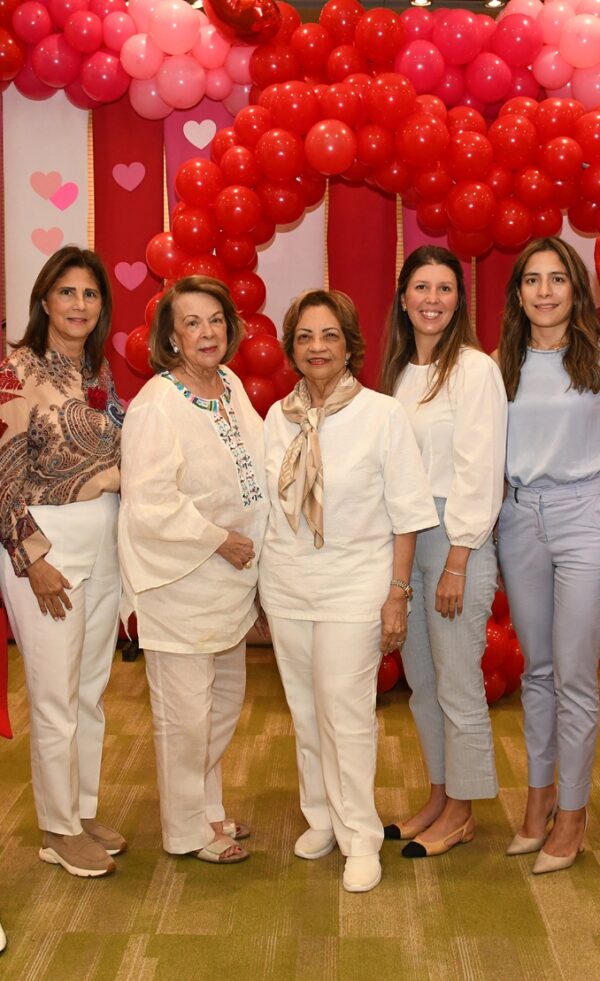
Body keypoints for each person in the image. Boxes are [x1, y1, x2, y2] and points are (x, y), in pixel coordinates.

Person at [259, 288, 437, 893]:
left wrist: (397, 593)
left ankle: (361, 837)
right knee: (306, 713)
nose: (316, 347)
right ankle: (324, 818)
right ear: (292, 347)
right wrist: (259, 589)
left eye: (329, 335)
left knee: (346, 713)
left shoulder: (382, 415)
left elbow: (408, 512)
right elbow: (264, 509)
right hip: (286, 585)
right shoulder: (275, 418)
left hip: (354, 587)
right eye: (305, 336)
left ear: (349, 345)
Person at [119, 275, 269, 865]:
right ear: (172, 338)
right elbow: (150, 501)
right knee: (184, 717)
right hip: (180, 582)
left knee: (222, 705)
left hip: (230, 583)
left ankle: (206, 809)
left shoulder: (229, 385)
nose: (206, 333)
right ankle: (184, 830)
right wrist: (218, 541)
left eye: (215, 320)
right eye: (191, 323)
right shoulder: (157, 403)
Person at [0, 246, 125, 877]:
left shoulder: (99, 370)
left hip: (103, 545)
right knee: (53, 696)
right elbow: (3, 470)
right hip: (45, 548)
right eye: (68, 292)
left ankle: (81, 808)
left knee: (89, 691)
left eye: (91, 294)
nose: (80, 305)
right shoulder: (16, 370)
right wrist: (33, 559)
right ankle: (54, 828)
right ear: (44, 299)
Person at [380, 245, 507, 859]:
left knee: (458, 683)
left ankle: (462, 812)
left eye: (445, 289)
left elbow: (482, 470)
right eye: (422, 288)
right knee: (422, 683)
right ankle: (438, 796)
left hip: (459, 539)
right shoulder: (399, 372)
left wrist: (458, 558)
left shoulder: (476, 369)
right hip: (407, 540)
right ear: (403, 298)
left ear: (460, 299)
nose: (432, 299)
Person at [495, 236, 600, 875]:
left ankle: (574, 812)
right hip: (518, 516)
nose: (543, 291)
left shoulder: (595, 356)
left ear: (575, 288)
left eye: (556, 279)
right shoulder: (499, 361)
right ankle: (537, 801)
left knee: (575, 672)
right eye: (531, 280)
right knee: (536, 668)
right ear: (518, 293)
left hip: (585, 512)